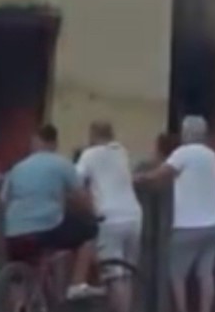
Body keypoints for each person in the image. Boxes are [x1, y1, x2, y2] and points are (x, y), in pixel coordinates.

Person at [1, 123, 98, 295]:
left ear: (35, 143)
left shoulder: (18, 167)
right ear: (53, 143)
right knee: (89, 231)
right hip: (46, 228)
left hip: (14, 232)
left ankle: (19, 305)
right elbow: (80, 196)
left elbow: (3, 200)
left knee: (20, 275)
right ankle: (77, 284)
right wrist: (94, 213)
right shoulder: (61, 163)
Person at [140, 115, 215, 312]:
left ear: (186, 133)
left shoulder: (182, 153)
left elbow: (160, 174)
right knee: (205, 274)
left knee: (177, 274)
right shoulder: (212, 155)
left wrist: (137, 178)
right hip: (214, 224)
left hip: (188, 225)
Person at [75, 120, 142, 312]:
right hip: (134, 216)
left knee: (113, 276)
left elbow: (75, 180)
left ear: (93, 135)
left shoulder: (90, 154)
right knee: (127, 274)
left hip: (109, 217)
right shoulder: (121, 151)